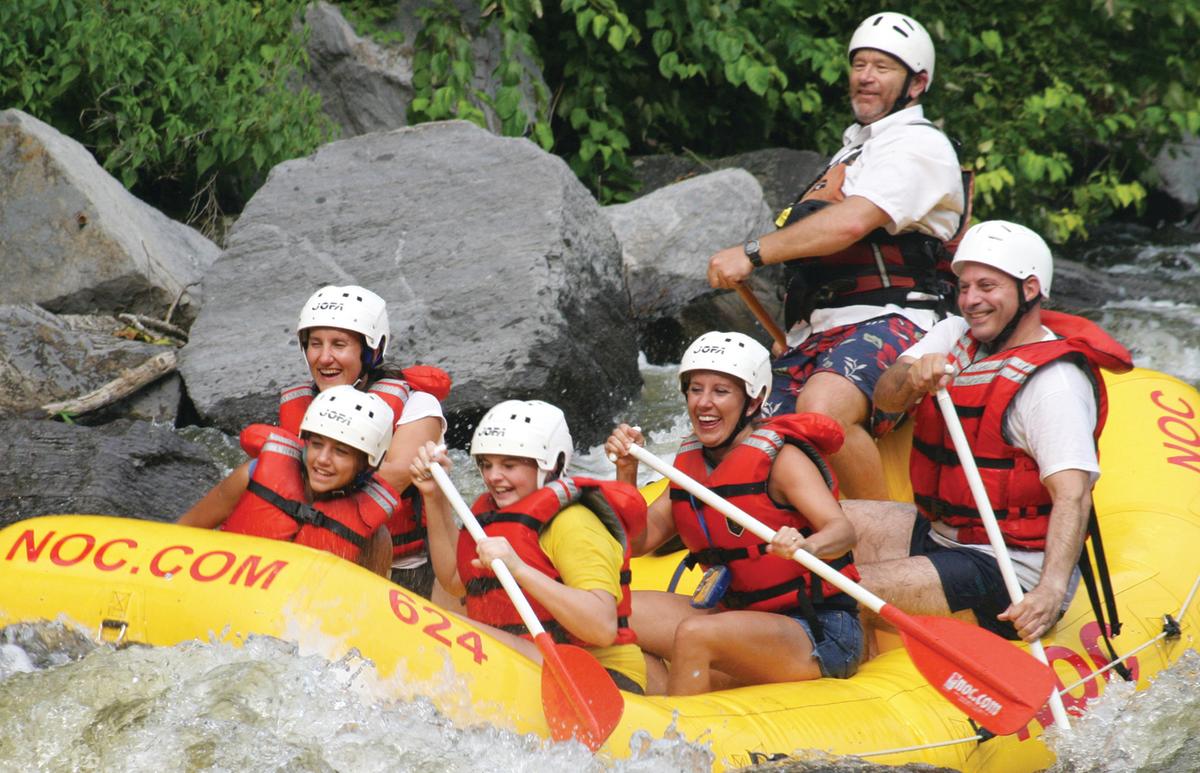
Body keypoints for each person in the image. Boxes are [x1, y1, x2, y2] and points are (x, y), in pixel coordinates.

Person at [706, 12, 967, 499]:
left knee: (822, 408)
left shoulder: (919, 145)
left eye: (884, 68)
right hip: (818, 334)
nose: (866, 77)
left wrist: (751, 253)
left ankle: (878, 546)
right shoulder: (852, 152)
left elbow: (851, 223)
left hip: (897, 319)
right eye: (860, 64)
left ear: (918, 83)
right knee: (738, 437)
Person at [847, 220, 1133, 644]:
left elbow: (1072, 496)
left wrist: (1050, 592)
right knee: (815, 520)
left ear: (1030, 289)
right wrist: (911, 378)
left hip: (1007, 567)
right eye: (964, 287)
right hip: (940, 532)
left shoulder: (1054, 383)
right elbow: (887, 400)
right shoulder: (953, 335)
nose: (970, 300)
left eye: (987, 286)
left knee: (837, 590)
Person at [605, 332, 863, 695]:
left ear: (753, 401)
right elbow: (637, 540)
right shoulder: (691, 466)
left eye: (721, 391)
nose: (704, 404)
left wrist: (807, 544)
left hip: (816, 628)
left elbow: (842, 530)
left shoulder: (782, 460)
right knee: (609, 610)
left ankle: (679, 741)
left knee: (695, 633)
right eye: (696, 389)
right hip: (734, 616)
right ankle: (662, 708)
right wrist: (627, 471)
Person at [409, 400, 650, 694]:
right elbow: (454, 582)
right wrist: (433, 496)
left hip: (602, 676)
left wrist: (519, 569)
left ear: (553, 466)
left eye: (509, 465)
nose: (493, 476)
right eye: (486, 464)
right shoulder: (494, 513)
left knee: (442, 631)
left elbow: (601, 628)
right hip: (539, 657)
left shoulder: (575, 523)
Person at [283, 285, 450, 597]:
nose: (324, 357)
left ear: (370, 351)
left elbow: (392, 479)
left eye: (339, 345)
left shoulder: (417, 406)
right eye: (315, 344)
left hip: (403, 570)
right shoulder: (304, 406)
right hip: (311, 555)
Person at [179, 385, 400, 576]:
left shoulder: (375, 538)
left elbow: (366, 608)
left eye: (341, 452)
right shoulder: (252, 476)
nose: (322, 459)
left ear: (366, 464)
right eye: (316, 444)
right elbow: (182, 533)